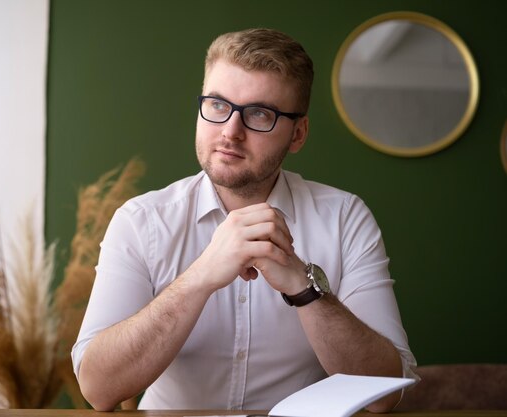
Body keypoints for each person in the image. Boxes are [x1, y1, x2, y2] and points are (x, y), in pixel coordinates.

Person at [72, 28, 417, 413]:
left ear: (298, 134)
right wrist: (201, 276)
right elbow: (98, 389)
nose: (230, 131)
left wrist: (304, 288)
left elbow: (385, 395)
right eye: (218, 105)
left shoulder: (345, 218)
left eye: (258, 114)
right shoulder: (141, 221)